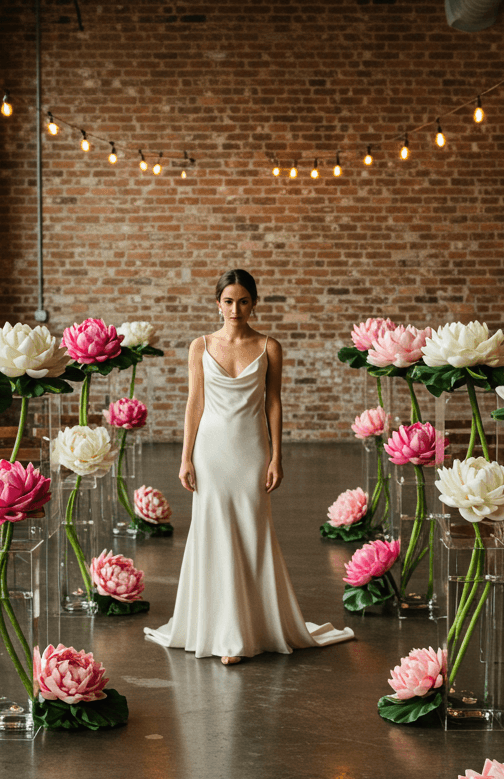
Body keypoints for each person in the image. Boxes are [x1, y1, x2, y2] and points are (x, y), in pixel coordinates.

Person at [144, 269, 354, 664]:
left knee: (252, 532)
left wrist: (277, 455)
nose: (235, 308)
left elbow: (273, 402)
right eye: (228, 301)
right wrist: (185, 456)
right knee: (214, 531)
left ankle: (252, 626)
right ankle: (224, 634)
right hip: (211, 449)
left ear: (254, 302)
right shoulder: (199, 346)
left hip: (251, 449)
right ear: (217, 303)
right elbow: (194, 404)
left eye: (243, 301)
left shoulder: (269, 346)